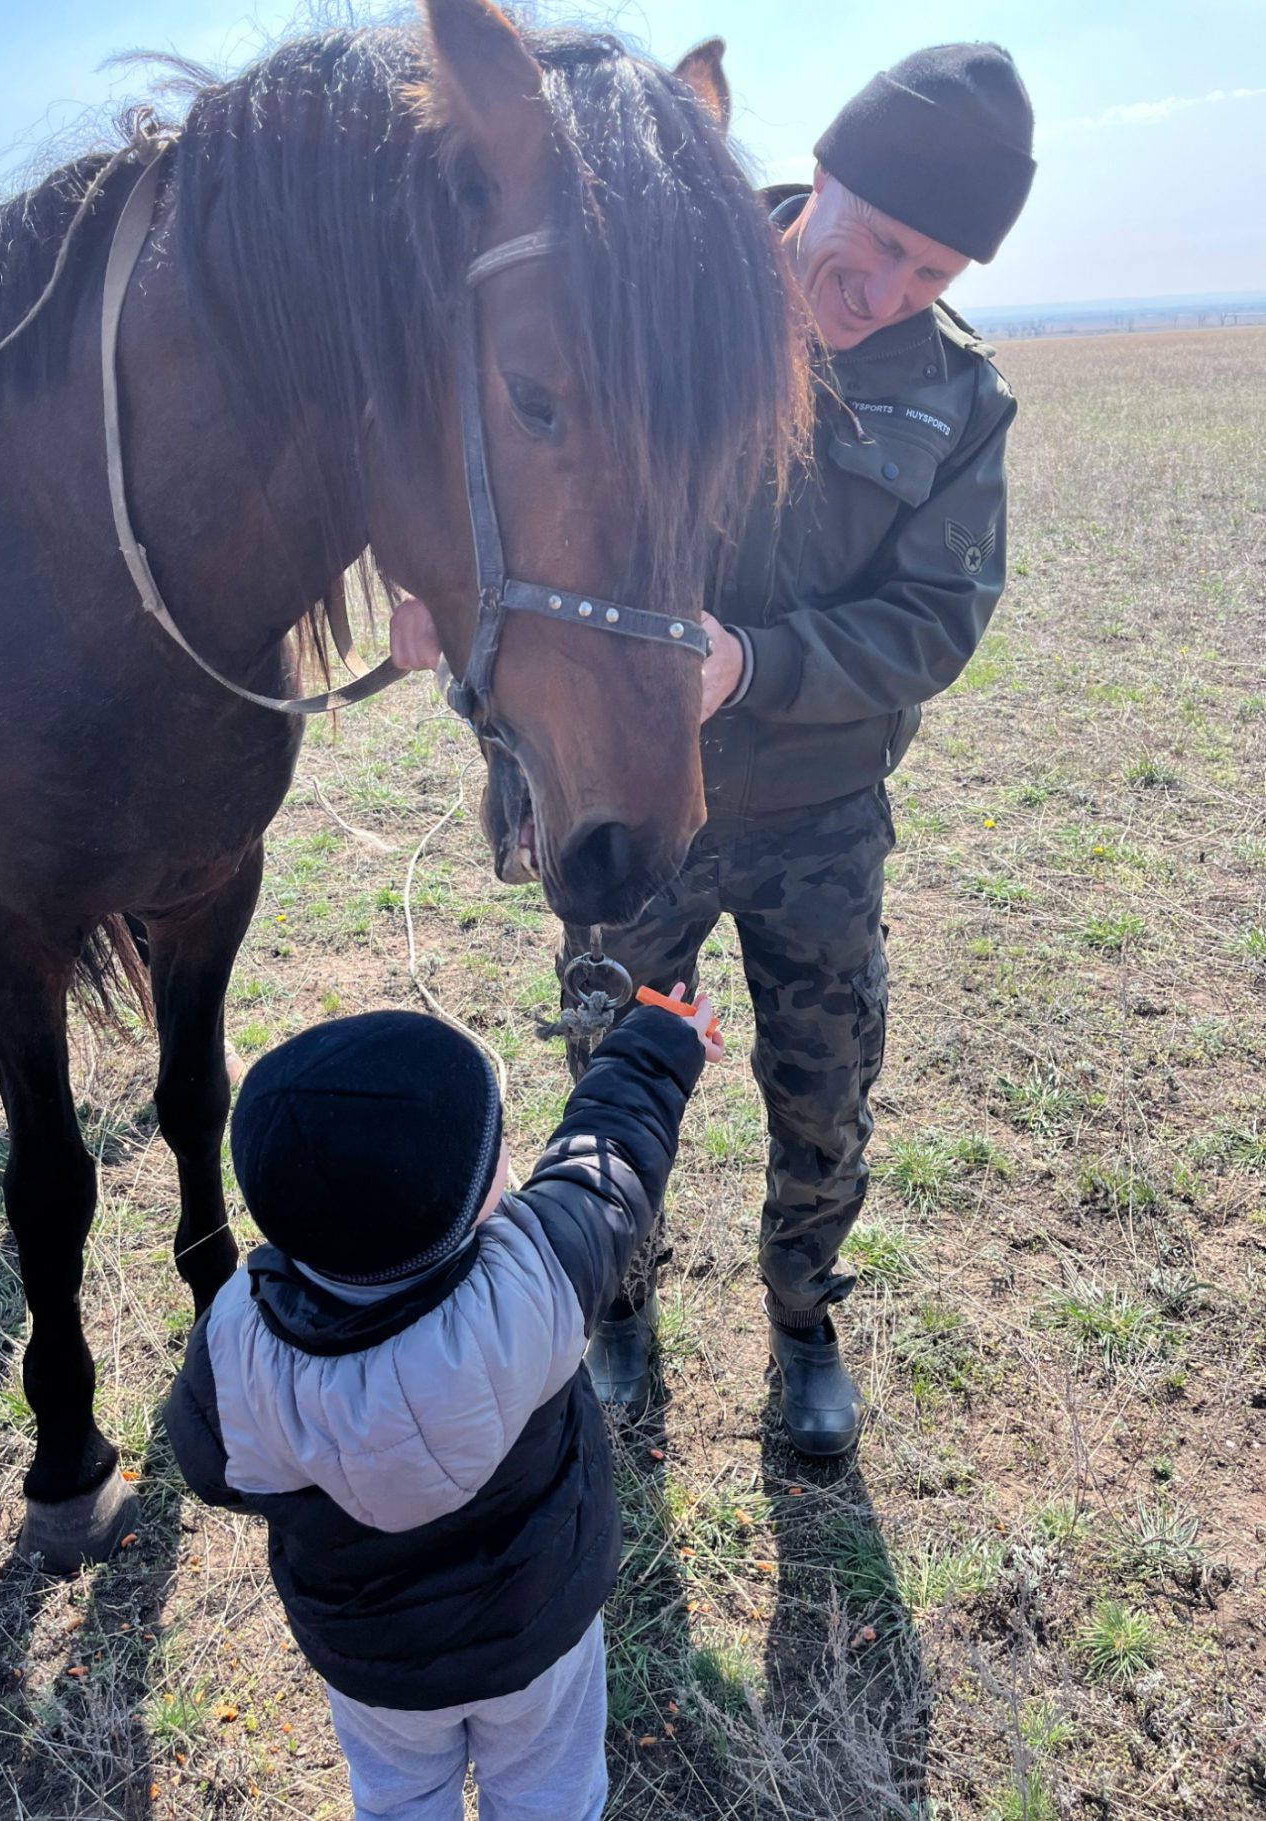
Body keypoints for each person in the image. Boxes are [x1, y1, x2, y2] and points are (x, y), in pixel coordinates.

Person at [389, 42, 1036, 1459]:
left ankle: (804, 1320)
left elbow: (934, 619)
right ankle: (617, 1304)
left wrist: (749, 666)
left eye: (932, 276)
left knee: (823, 1083)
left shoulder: (957, 400)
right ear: (828, 178)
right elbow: (500, 428)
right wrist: (431, 578)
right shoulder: (660, 284)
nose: (883, 298)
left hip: (817, 816)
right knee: (615, 1065)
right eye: (871, 249)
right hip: (631, 806)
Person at [165, 994, 722, 1821]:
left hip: (372, 1663)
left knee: (397, 1799)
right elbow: (606, 1157)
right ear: (472, 1207)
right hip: (537, 1635)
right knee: (549, 1792)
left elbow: (208, 1466)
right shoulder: (538, 1281)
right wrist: (659, 1043)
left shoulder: (233, 1336)